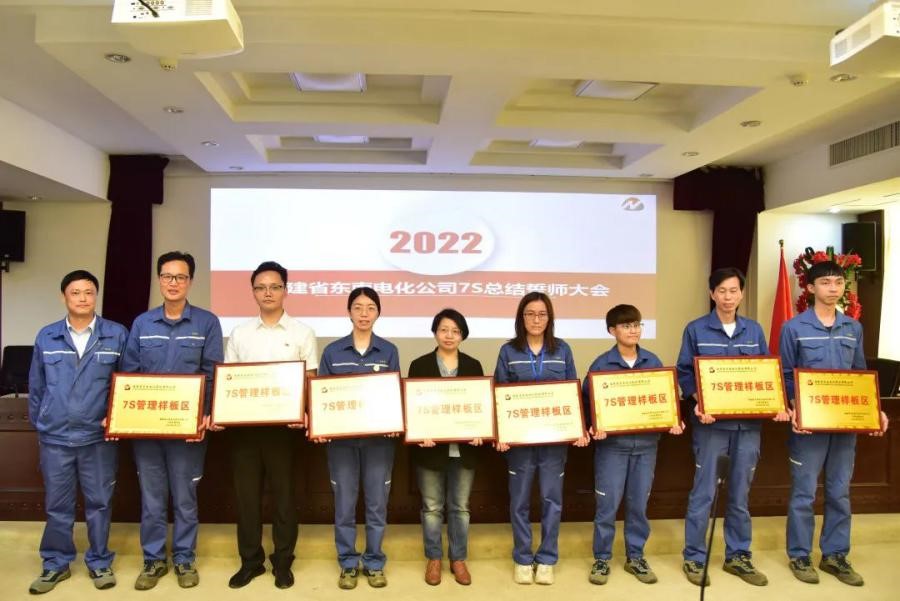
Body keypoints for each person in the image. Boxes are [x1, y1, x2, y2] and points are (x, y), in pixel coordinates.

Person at [676, 267, 788, 587]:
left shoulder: (753, 330)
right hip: (711, 426)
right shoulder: (696, 329)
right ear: (712, 294)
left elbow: (766, 373)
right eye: (722, 291)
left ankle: (738, 556)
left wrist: (776, 404)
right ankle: (694, 557)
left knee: (740, 493)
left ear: (741, 294)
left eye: (734, 291)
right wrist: (700, 401)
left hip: (748, 427)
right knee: (704, 493)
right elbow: (685, 373)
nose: (728, 297)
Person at [781, 260, 889, 586]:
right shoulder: (794, 328)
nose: (833, 288)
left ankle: (835, 555)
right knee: (803, 493)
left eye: (838, 283)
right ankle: (800, 555)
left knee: (839, 492)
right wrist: (794, 407)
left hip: (844, 426)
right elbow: (786, 375)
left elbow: (859, 375)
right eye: (826, 282)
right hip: (809, 427)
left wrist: (875, 410)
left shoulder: (852, 328)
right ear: (810, 288)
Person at [121, 251, 223, 590]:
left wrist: (206, 414)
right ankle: (152, 561)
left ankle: (184, 559)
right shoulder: (142, 323)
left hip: (188, 431)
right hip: (148, 430)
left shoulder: (207, 323)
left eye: (180, 277)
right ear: (159, 280)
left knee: (184, 497)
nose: (173, 282)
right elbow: (130, 373)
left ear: (190, 281)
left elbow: (212, 373)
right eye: (167, 276)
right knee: (152, 499)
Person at [216, 261, 318, 589]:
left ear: (286, 290)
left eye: (274, 287)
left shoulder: (302, 332)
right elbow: (229, 381)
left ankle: (283, 562)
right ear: (253, 292)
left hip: (284, 431)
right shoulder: (240, 333)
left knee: (284, 498)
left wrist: (303, 411)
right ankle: (251, 562)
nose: (268, 293)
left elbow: (310, 379)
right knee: (247, 499)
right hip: (245, 430)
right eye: (261, 287)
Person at [27, 270, 128, 594]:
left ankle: (99, 561)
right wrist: (43, 422)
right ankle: (55, 563)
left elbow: (127, 383)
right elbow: (36, 387)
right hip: (55, 438)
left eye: (88, 292)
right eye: (75, 292)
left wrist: (116, 418)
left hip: (98, 438)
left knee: (100, 503)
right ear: (64, 297)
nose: (83, 298)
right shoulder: (47, 336)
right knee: (58, 505)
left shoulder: (116, 334)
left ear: (96, 296)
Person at [582, 304, 683, 586]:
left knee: (638, 505)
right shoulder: (601, 365)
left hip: (646, 446)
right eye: (626, 325)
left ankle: (635, 557)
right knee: (607, 505)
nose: (633, 330)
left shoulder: (653, 361)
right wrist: (593, 424)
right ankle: (602, 558)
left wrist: (673, 420)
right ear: (612, 330)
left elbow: (666, 399)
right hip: (612, 448)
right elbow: (587, 401)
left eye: (637, 324)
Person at [494, 292, 588, 585]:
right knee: (519, 501)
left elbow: (573, 393)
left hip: (554, 443)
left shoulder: (562, 350)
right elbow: (499, 394)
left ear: (550, 318)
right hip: (520, 444)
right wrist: (501, 433)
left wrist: (579, 428)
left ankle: (547, 558)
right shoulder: (508, 351)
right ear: (521, 318)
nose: (536, 320)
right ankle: (523, 558)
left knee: (552, 500)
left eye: (542, 314)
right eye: (530, 314)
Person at [315, 287, 400, 590]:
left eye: (370, 308)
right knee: (344, 505)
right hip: (342, 444)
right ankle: (348, 564)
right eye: (358, 307)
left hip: (378, 443)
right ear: (349, 312)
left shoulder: (389, 351)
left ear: (378, 313)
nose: (364, 314)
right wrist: (321, 424)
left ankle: (374, 562)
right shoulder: (332, 352)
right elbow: (322, 396)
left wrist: (394, 420)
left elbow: (393, 395)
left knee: (377, 505)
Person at [408, 309, 484, 586]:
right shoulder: (419, 365)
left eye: (455, 331)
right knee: (431, 508)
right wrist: (419, 432)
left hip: (464, 450)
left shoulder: (474, 365)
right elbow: (414, 407)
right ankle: (434, 558)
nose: (449, 335)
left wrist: (481, 431)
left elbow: (480, 406)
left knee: (460, 507)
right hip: (430, 449)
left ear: (462, 335)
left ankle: (458, 558)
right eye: (443, 329)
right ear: (435, 332)